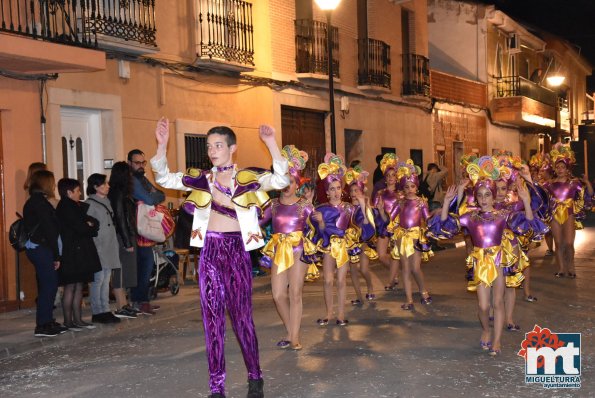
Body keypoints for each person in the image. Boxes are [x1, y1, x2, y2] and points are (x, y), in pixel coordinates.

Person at [150, 118, 289, 398]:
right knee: (211, 320)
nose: (212, 151)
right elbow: (165, 178)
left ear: (232, 148)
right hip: (210, 252)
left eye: (218, 145)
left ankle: (255, 376)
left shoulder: (246, 178)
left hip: (236, 250)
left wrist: (271, 143)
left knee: (241, 318)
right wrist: (162, 146)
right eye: (209, 146)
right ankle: (217, 387)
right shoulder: (202, 179)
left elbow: (281, 179)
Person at [430, 156, 547, 355]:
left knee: (497, 302)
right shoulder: (470, 217)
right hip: (480, 262)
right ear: (476, 197)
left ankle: (497, 340)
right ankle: (486, 329)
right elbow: (447, 226)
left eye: (487, 195)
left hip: (499, 260)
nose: (484, 199)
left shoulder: (504, 216)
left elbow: (527, 223)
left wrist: (526, 201)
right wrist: (448, 202)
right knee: (484, 306)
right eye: (480, 195)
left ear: (493, 197)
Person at [305, 153, 374, 326]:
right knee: (328, 280)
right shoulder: (322, 209)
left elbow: (364, 224)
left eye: (338, 188)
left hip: (343, 246)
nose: (336, 192)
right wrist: (320, 222)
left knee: (342, 280)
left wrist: (364, 206)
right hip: (329, 247)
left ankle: (341, 314)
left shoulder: (350, 209)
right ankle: (329, 313)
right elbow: (320, 232)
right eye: (332, 189)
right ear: (327, 192)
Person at [260, 145, 313, 351]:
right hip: (279, 250)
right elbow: (257, 222)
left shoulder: (304, 205)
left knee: (295, 293)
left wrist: (319, 221)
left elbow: (316, 228)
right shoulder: (272, 205)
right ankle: (291, 331)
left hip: (299, 249)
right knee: (278, 295)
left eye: (291, 182)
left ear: (297, 183)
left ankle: (295, 336)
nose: (287, 186)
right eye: (284, 181)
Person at [23, 170, 67, 337]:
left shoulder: (34, 201)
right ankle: (42, 325)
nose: (54, 185)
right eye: (52, 182)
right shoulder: (40, 203)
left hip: (39, 248)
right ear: (46, 184)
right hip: (42, 248)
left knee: (48, 285)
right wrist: (57, 255)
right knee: (49, 286)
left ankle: (47, 320)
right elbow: (50, 231)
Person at [56, 178, 102, 331]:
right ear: (69, 192)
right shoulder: (66, 207)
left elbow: (92, 222)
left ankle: (78, 319)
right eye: (77, 190)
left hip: (78, 251)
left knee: (78, 286)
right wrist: (88, 226)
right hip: (72, 252)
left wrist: (89, 225)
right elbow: (81, 227)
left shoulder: (74, 206)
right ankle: (69, 321)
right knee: (71, 286)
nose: (80, 193)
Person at [542, 144, 593, 278]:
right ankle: (561, 269)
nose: (560, 169)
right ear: (554, 168)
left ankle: (571, 267)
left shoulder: (574, 183)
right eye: (557, 167)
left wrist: (587, 182)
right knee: (558, 244)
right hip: (554, 215)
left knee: (569, 244)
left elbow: (588, 195)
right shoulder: (549, 184)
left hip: (569, 214)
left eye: (562, 167)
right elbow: (540, 198)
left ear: (567, 169)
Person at [389, 160, 433, 310]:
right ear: (403, 187)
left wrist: (435, 222)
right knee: (405, 268)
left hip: (416, 236)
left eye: (412, 186)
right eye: (406, 187)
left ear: (417, 187)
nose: (409, 189)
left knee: (415, 268)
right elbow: (391, 218)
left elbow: (427, 219)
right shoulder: (399, 203)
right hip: (402, 236)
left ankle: (423, 291)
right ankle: (409, 300)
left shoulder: (421, 203)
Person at [128, 148, 165, 315]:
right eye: (137, 163)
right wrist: (151, 196)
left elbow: (161, 195)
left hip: (145, 227)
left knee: (147, 265)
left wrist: (152, 196)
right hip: (137, 229)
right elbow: (152, 198)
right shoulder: (131, 180)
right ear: (130, 163)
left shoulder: (141, 179)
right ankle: (139, 301)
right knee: (143, 266)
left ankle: (143, 300)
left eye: (143, 162)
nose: (141, 166)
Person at [86, 174, 124, 324]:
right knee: (98, 280)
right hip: (99, 246)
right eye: (104, 184)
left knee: (106, 278)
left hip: (109, 245)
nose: (108, 186)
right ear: (95, 187)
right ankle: (97, 311)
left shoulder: (106, 201)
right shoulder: (90, 204)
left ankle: (105, 309)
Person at [108, 161, 140, 317]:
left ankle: (124, 304)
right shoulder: (118, 193)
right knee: (120, 271)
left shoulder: (120, 192)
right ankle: (121, 306)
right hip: (122, 237)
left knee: (125, 271)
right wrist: (127, 242)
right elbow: (120, 217)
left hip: (125, 235)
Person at [344, 166, 377, 306]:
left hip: (363, 240)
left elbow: (367, 223)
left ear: (362, 191)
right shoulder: (347, 207)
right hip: (351, 243)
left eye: (356, 190)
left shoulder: (366, 206)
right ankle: (359, 296)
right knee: (353, 271)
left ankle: (370, 287)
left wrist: (363, 206)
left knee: (363, 269)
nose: (353, 193)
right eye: (351, 190)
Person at [372, 153, 401, 291]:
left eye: (393, 175)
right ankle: (395, 272)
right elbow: (376, 210)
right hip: (384, 226)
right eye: (388, 175)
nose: (390, 178)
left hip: (397, 227)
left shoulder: (401, 194)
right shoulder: (380, 193)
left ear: (397, 177)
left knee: (395, 255)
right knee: (381, 255)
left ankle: (392, 280)